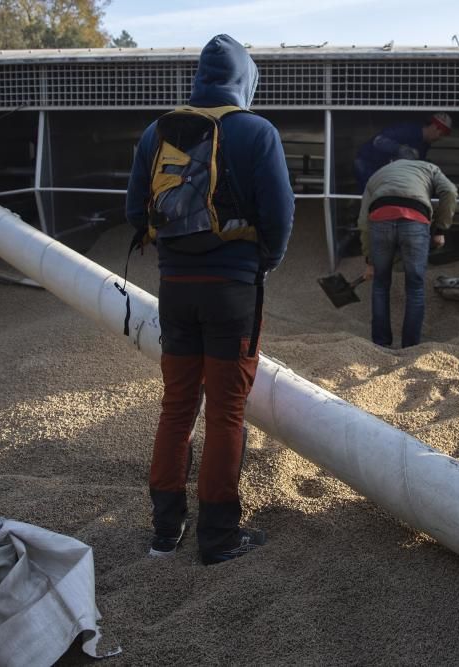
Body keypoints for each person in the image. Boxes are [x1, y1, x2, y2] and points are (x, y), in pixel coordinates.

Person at [125, 34, 294, 565]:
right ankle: (218, 538)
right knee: (226, 411)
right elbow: (281, 216)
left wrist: (177, 260)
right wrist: (257, 262)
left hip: (174, 290)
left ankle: (163, 534)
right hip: (232, 291)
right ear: (245, 79)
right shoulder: (256, 131)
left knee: (176, 407)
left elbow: (135, 211)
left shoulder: (158, 131)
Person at [357, 159, 458, 348]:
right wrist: (440, 230)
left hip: (380, 219)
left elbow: (363, 222)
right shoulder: (431, 168)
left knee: (380, 284)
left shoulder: (377, 175)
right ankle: (410, 346)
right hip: (415, 219)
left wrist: (369, 260)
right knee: (415, 287)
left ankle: (381, 344)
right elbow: (450, 191)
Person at [353, 112, 453, 193]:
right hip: (367, 163)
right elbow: (379, 141)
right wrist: (401, 149)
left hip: (384, 172)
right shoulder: (408, 129)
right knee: (371, 199)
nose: (439, 139)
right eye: (440, 135)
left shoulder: (424, 145)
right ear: (435, 127)